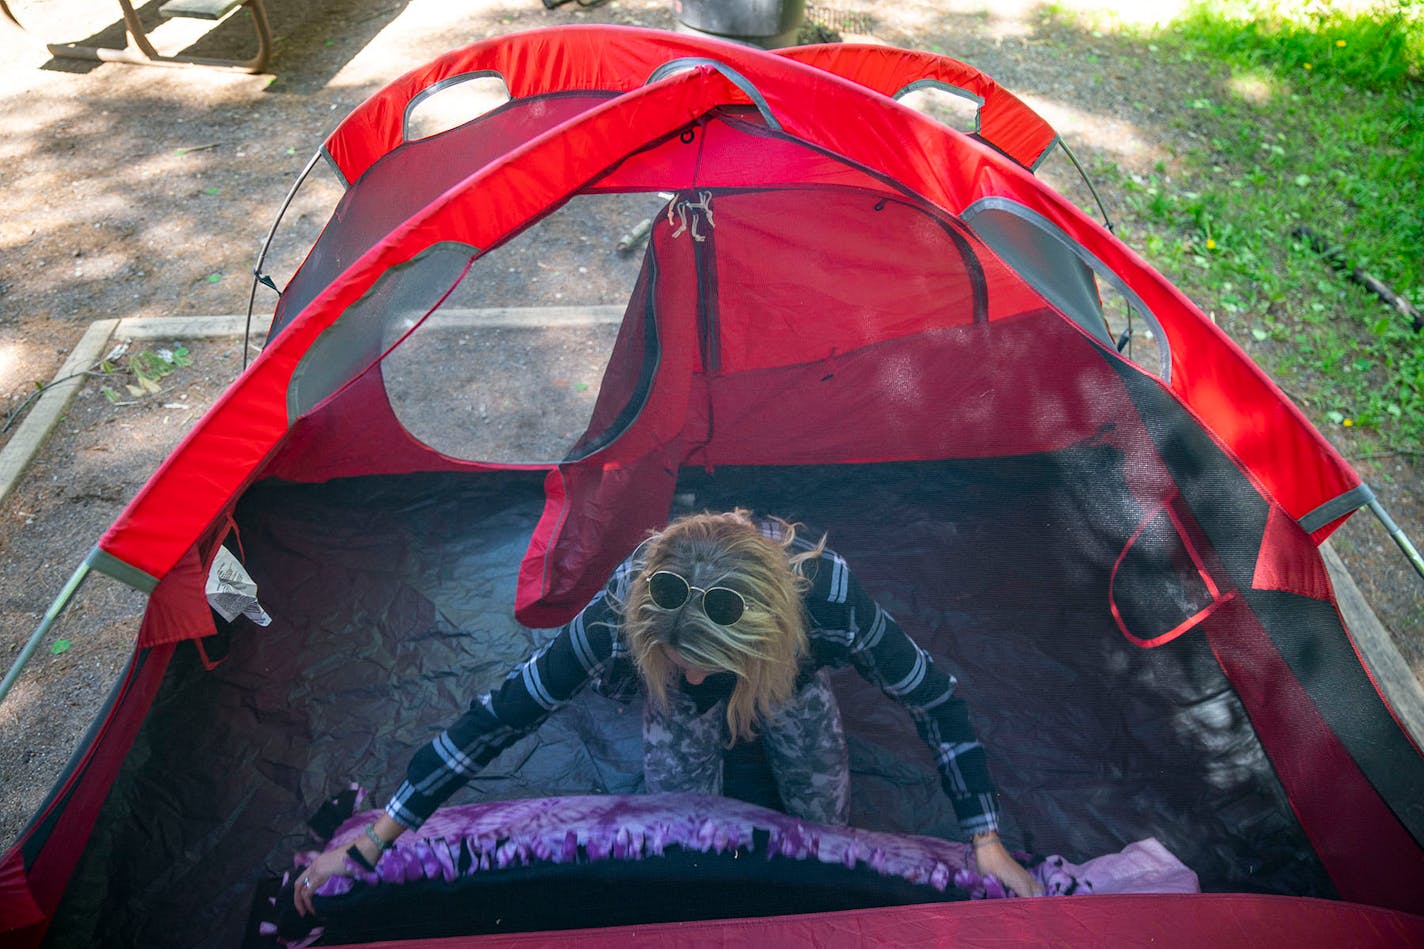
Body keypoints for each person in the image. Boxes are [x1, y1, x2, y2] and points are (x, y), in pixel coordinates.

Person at [295, 509, 1040, 913]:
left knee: (825, 831)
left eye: (705, 662)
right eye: (679, 656)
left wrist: (985, 841)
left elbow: (934, 697)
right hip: (674, 694)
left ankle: (768, 707)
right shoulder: (628, 599)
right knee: (679, 820)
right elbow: (504, 711)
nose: (693, 670)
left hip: (786, 682)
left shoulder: (830, 599)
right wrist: (376, 838)